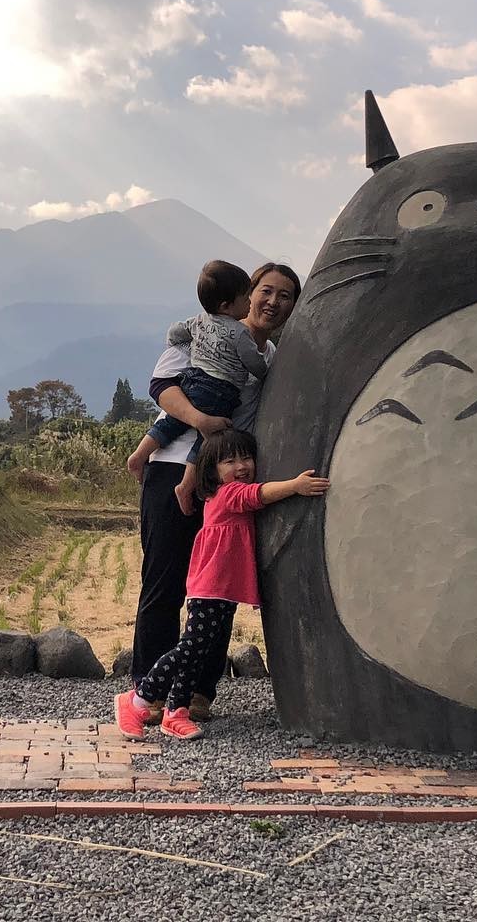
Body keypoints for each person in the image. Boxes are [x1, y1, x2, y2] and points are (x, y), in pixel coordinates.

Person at [130, 262, 301, 723]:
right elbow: (161, 388)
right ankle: (145, 689)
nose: (273, 302)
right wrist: (201, 422)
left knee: (216, 593)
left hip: (228, 486)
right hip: (172, 468)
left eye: (285, 295)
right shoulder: (206, 331)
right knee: (164, 582)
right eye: (266, 291)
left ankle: (196, 693)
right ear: (248, 293)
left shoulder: (273, 360)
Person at [115, 428, 330, 739]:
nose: (241, 466)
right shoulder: (227, 494)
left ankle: (176, 712)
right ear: (212, 471)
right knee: (190, 648)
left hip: (223, 589)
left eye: (246, 457)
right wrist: (296, 485)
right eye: (229, 461)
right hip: (211, 587)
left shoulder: (222, 493)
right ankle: (138, 699)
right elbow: (259, 494)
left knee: (199, 651)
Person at [126, 259, 267, 512]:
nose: (249, 302)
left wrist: (182, 345)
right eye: (249, 296)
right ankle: (186, 486)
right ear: (227, 305)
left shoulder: (199, 322)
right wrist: (265, 372)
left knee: (170, 423)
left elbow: (175, 332)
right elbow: (254, 364)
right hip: (220, 392)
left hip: (194, 380)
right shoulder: (240, 333)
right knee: (206, 442)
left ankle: (138, 455)